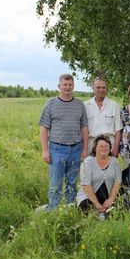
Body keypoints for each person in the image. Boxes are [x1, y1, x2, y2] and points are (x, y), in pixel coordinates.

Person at [39, 73, 88, 211]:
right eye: (64, 85)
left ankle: (69, 211)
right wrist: (44, 150)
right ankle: (53, 212)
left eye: (70, 85)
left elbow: (84, 127)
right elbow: (43, 128)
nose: (67, 87)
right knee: (55, 184)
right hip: (57, 149)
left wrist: (85, 149)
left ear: (73, 86)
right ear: (59, 86)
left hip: (76, 149)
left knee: (72, 183)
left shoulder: (79, 105)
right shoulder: (50, 104)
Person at [76, 135, 122, 214]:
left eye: (106, 146)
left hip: (107, 197)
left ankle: (104, 214)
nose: (104, 148)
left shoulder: (114, 162)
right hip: (89, 197)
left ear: (110, 148)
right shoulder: (88, 162)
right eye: (101, 146)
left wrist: (111, 199)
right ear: (95, 148)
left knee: (119, 209)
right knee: (86, 207)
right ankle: (99, 214)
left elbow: (117, 182)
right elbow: (86, 185)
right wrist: (97, 204)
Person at [84, 79, 122, 156]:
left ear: (106, 89)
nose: (101, 90)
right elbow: (83, 129)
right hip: (91, 144)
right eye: (98, 87)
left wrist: (116, 148)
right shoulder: (86, 105)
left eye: (103, 87)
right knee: (90, 168)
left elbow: (118, 130)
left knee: (108, 168)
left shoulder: (114, 105)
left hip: (109, 144)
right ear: (93, 89)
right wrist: (84, 149)